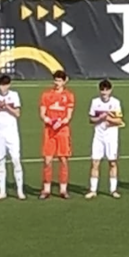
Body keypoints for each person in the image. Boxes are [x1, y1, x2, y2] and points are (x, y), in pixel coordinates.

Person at [38, 71, 75, 199]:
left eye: (59, 80)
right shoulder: (46, 95)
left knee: (63, 160)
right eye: (55, 80)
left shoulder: (69, 96)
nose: (57, 83)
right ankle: (46, 189)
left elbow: (68, 116)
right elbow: (42, 113)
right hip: (49, 130)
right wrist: (48, 120)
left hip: (63, 131)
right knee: (47, 160)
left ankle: (63, 189)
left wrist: (61, 122)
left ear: (65, 81)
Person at [0, 75, 26, 200]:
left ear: (9, 85)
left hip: (12, 133)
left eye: (5, 85)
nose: (2, 87)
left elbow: (17, 114)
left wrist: (7, 107)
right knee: (0, 161)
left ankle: (20, 190)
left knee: (16, 160)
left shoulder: (14, 95)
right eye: (1, 85)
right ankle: (2, 191)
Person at [86, 79, 122, 199]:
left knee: (112, 162)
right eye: (102, 90)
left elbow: (119, 121)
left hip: (111, 138)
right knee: (95, 162)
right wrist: (101, 118)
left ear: (110, 91)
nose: (104, 93)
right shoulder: (95, 102)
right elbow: (91, 120)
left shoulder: (116, 103)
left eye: (106, 90)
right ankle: (93, 190)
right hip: (98, 137)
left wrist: (109, 119)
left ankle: (113, 190)